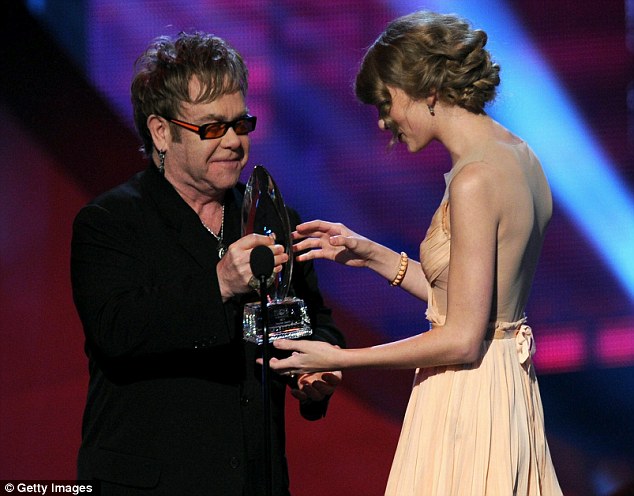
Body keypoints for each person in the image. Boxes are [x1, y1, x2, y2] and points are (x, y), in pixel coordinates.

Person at [267, 11, 563, 495]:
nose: (384, 120)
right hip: (505, 388)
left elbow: (463, 337)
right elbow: (477, 303)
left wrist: (340, 356)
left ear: (426, 87)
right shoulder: (520, 157)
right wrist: (372, 255)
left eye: (387, 102)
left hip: (468, 398)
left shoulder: (474, 181)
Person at [70, 31, 344, 495]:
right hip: (151, 482)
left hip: (256, 482)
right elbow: (118, 331)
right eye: (213, 128)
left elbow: (313, 319)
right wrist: (217, 284)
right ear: (162, 131)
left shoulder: (270, 215)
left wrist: (317, 369)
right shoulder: (110, 222)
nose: (235, 142)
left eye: (241, 124)